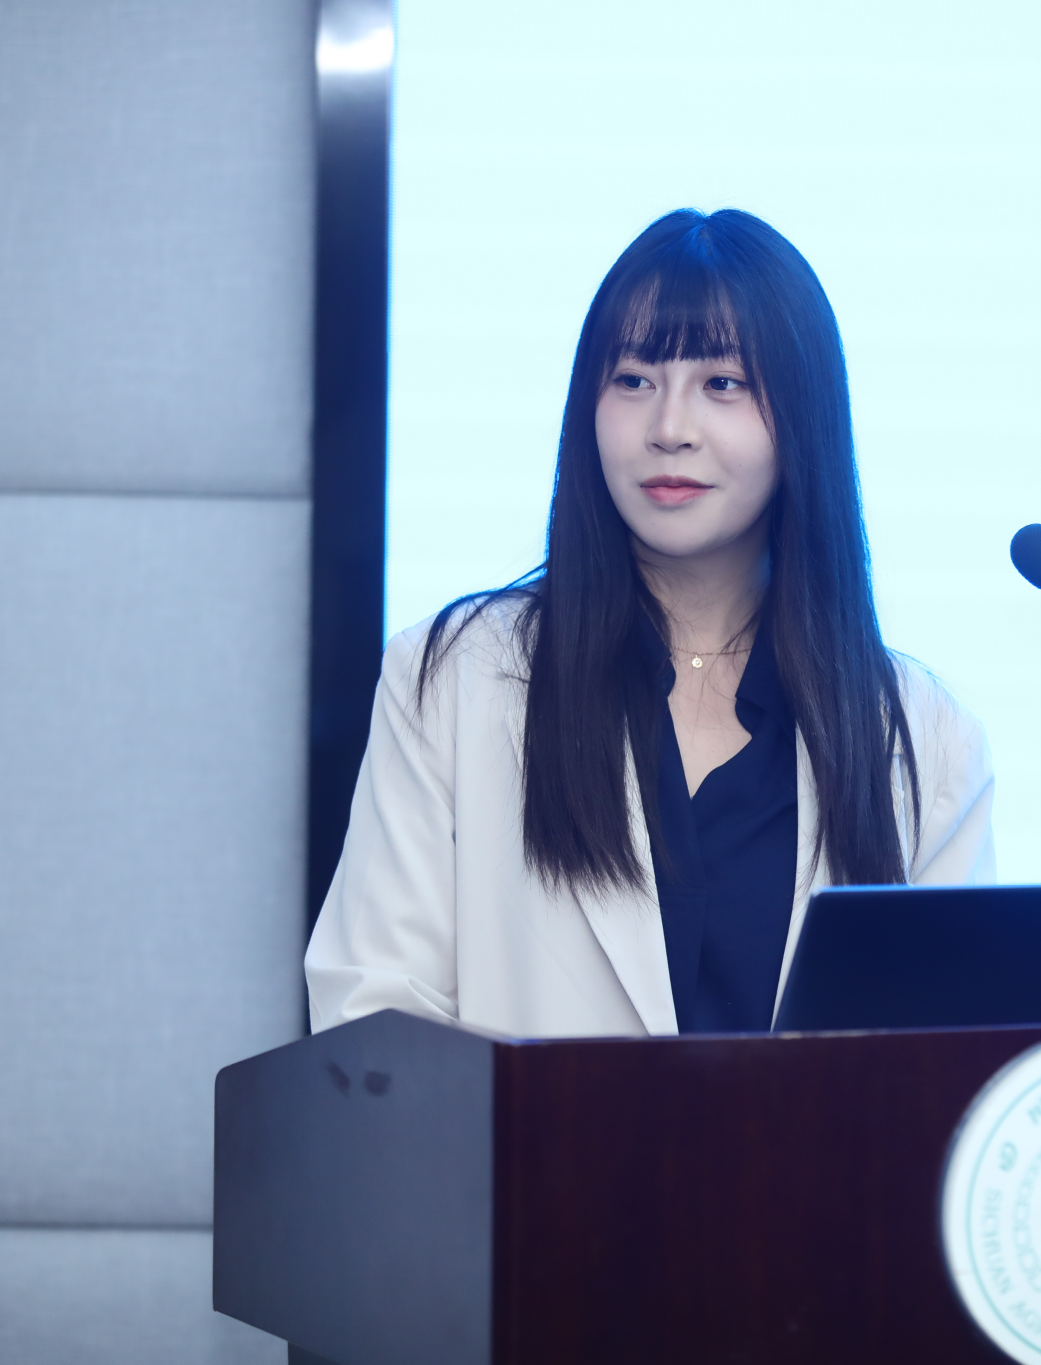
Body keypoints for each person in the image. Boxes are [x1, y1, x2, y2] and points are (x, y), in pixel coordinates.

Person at [306, 209, 994, 1039]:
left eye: (723, 384)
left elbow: (951, 1057)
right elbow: (372, 1023)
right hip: (515, 1137)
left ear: (804, 416)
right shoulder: (453, 677)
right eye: (633, 380)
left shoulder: (920, 734)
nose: (669, 429)